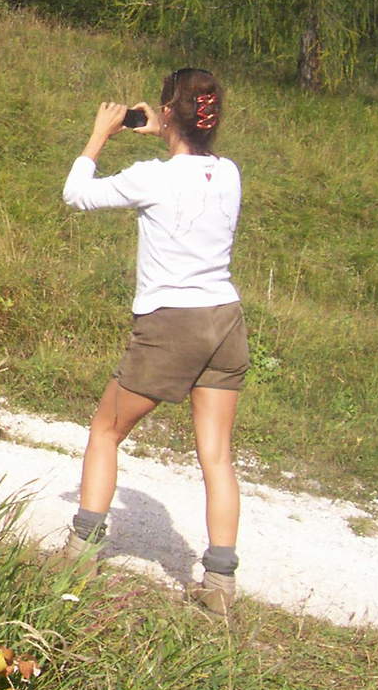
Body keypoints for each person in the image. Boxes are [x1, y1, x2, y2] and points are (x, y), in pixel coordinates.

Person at [59, 68, 248, 615]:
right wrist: (166, 128)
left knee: (105, 430)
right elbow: (193, 160)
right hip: (226, 321)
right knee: (216, 455)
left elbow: (76, 195)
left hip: (172, 324)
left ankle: (80, 553)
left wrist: (101, 135)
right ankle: (219, 585)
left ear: (168, 114)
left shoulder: (153, 178)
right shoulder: (230, 173)